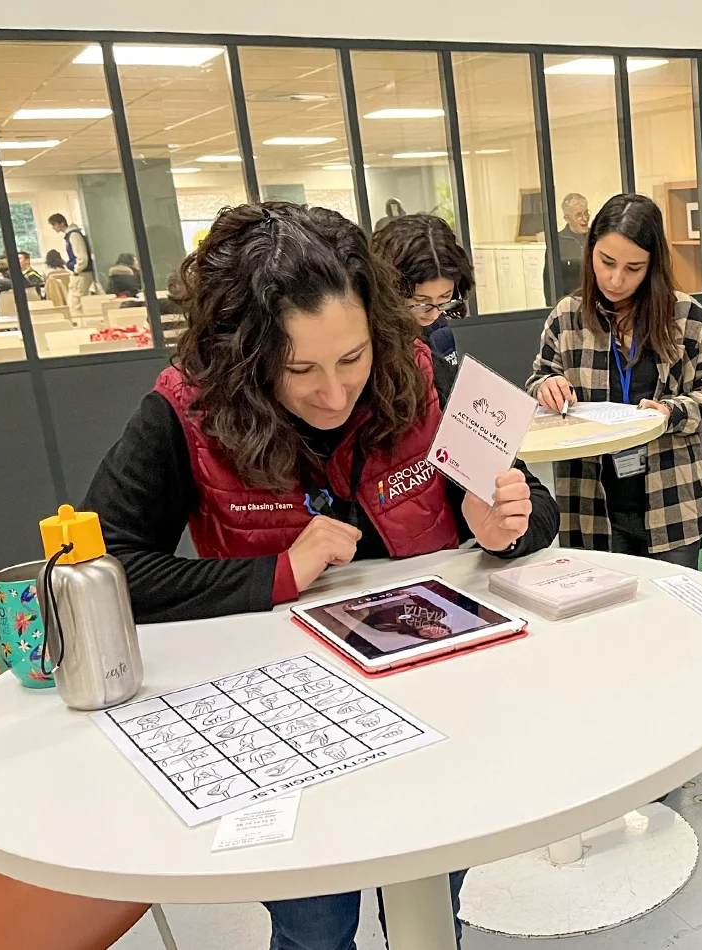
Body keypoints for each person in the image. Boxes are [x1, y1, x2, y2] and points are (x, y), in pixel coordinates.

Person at [82, 201, 560, 948]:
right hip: (288, 719)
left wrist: (504, 525)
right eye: (298, 368)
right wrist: (277, 572)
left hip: (435, 698)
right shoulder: (187, 409)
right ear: (244, 353)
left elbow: (530, 506)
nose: (334, 394)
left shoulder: (428, 374)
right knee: (314, 924)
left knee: (431, 906)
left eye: (353, 358)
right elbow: (99, 568)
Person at [527, 193, 702, 570]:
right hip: (590, 506)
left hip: (670, 504)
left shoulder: (685, 316)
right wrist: (545, 387)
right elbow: (539, 377)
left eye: (633, 268)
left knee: (672, 619)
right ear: (590, 252)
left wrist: (670, 412)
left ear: (653, 266)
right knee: (604, 621)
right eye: (606, 262)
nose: (615, 279)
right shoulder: (567, 317)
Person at [370, 213, 472, 368]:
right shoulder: (370, 343)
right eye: (421, 302)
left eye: (445, 297)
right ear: (389, 289)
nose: (433, 314)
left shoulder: (439, 330)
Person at [49, 212, 93, 311]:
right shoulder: (71, 235)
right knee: (74, 302)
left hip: (82, 273)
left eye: (54, 224)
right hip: (81, 272)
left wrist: (76, 270)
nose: (53, 228)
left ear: (61, 223)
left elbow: (82, 256)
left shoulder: (73, 235)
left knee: (75, 303)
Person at [555, 192, 590, 295]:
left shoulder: (596, 236)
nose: (585, 218)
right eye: (578, 215)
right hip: (569, 302)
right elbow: (550, 281)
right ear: (567, 218)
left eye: (586, 213)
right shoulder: (558, 242)